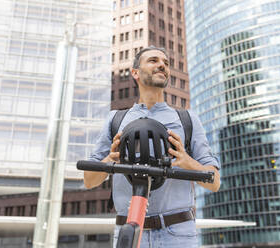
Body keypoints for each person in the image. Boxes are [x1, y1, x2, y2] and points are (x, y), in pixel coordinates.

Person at [84, 46, 221, 248]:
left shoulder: (187, 119)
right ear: (135, 73)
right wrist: (109, 160)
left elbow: (214, 182)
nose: (162, 66)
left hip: (177, 234)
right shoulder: (115, 119)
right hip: (127, 232)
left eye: (166, 63)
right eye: (153, 60)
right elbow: (89, 181)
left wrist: (187, 161)